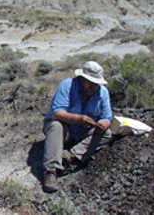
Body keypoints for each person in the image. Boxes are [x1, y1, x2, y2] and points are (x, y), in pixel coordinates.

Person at [42, 61, 113, 193]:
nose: (93, 86)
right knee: (56, 126)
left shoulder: (103, 93)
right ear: (82, 79)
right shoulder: (67, 85)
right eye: (90, 82)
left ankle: (69, 158)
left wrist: (103, 123)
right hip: (65, 131)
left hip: (83, 132)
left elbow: (107, 116)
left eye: (96, 83)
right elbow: (57, 113)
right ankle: (50, 171)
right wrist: (79, 119)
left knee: (106, 133)